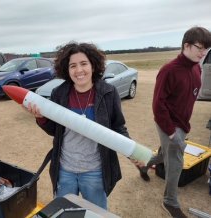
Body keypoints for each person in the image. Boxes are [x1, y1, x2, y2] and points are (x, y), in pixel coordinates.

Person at [25, 41, 130, 209]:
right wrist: (41, 118)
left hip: (95, 171)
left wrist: (132, 152)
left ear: (93, 66)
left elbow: (118, 127)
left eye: (83, 64)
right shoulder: (59, 93)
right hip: (65, 170)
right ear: (67, 69)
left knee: (96, 214)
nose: (79, 70)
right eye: (72, 65)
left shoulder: (108, 92)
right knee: (65, 212)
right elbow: (55, 130)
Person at [136, 26, 211, 218]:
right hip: (168, 124)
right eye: (200, 48)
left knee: (166, 153)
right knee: (175, 161)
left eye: (206, 49)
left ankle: (145, 166)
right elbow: (157, 105)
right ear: (186, 45)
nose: (203, 53)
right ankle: (170, 201)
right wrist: (171, 132)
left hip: (182, 123)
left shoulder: (196, 67)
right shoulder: (169, 70)